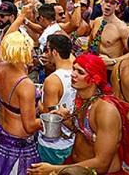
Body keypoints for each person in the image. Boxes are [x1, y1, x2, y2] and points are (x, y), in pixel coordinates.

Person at [28, 53, 129, 175]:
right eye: (74, 69)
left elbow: (102, 163)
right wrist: (65, 118)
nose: (73, 74)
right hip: (75, 167)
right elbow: (83, 130)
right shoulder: (83, 99)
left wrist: (54, 169)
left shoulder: (106, 110)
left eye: (80, 72)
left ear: (95, 79)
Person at [0, 31, 42, 175]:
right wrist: (52, 119)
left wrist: (21, 17)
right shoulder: (25, 84)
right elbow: (29, 126)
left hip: (1, 133)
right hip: (18, 144)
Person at [38, 34, 76, 164]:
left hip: (53, 147)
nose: (45, 53)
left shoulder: (53, 81)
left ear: (54, 52)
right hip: (72, 141)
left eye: (47, 50)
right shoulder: (77, 71)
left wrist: (38, 103)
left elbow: (50, 117)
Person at [87, 0, 129, 69]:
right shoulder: (97, 21)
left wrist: (113, 61)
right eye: (106, 1)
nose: (108, 5)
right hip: (94, 66)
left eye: (113, 3)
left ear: (117, 6)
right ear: (101, 2)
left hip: (110, 70)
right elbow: (91, 42)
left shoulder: (122, 28)